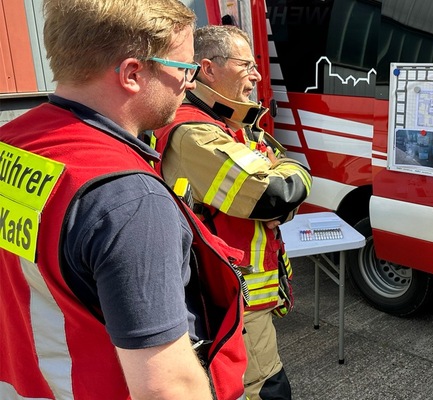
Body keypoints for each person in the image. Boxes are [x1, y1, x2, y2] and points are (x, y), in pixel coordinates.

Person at [0, 0, 249, 399]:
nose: (189, 84)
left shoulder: (12, 144)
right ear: (133, 73)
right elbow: (167, 388)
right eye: (184, 69)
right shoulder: (130, 202)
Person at [151, 25, 312, 400]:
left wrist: (276, 194)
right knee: (265, 389)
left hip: (242, 295)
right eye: (247, 65)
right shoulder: (196, 132)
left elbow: (275, 187)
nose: (257, 75)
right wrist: (287, 182)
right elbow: (276, 193)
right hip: (232, 299)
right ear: (208, 68)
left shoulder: (228, 125)